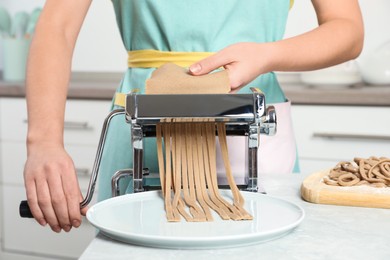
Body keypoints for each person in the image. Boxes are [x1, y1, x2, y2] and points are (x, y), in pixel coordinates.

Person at [23, 0, 364, 233]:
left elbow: (347, 28)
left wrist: (267, 54)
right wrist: (43, 142)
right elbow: (58, 25)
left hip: (251, 128)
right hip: (144, 131)